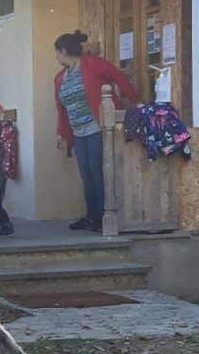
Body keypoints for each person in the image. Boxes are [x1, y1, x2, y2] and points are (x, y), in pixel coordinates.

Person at [55, 31, 137, 232]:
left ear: (64, 51)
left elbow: (118, 77)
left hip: (96, 127)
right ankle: (91, 216)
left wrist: (135, 102)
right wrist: (61, 133)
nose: (56, 57)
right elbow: (61, 109)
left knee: (97, 172)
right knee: (86, 175)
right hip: (78, 131)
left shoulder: (93, 64)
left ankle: (103, 217)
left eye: (57, 53)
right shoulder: (60, 78)